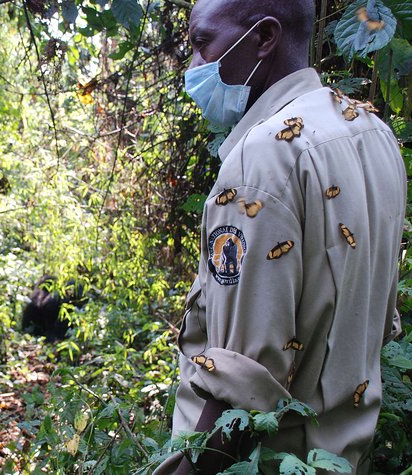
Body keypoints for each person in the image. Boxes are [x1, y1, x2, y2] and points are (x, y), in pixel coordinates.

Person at [155, 0, 406, 473]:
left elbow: (241, 395)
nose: (193, 68)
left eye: (202, 43)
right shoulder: (372, 133)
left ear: (263, 39)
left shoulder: (263, 161)